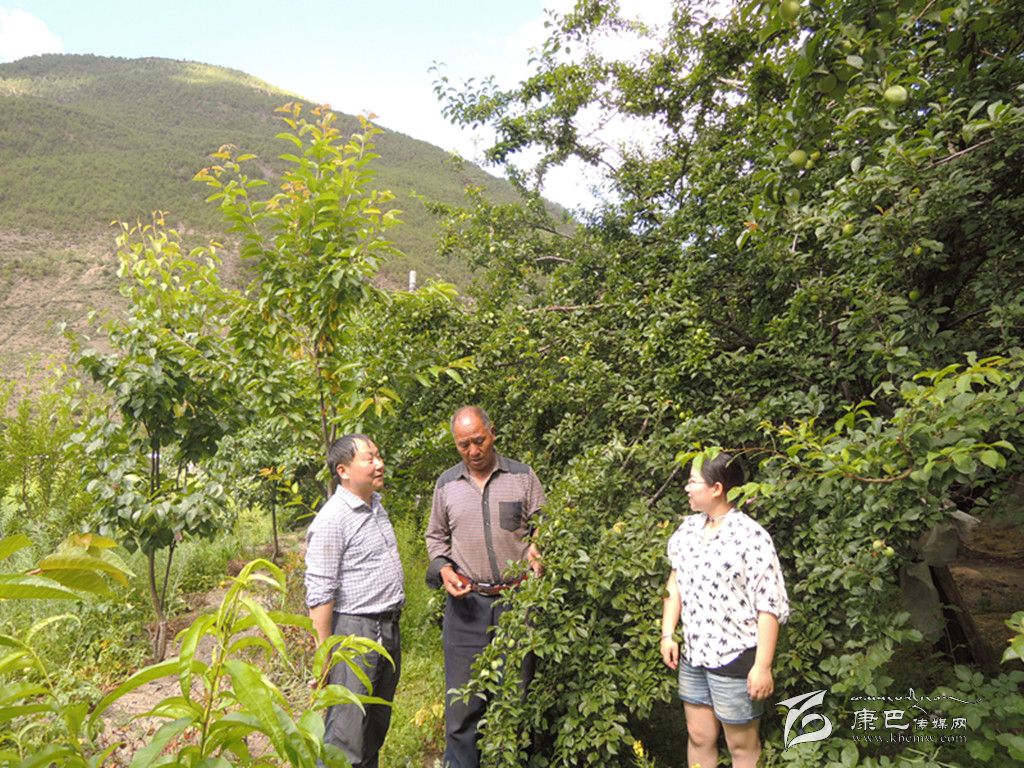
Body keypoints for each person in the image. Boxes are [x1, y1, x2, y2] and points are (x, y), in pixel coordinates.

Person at [425, 406, 546, 768]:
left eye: (479, 440)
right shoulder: (446, 484)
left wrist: (540, 545)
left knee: (518, 697)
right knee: (462, 706)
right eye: (464, 445)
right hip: (466, 606)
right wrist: (443, 569)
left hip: (517, 603)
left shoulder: (522, 476)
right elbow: (435, 537)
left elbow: (544, 524)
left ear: (492, 433)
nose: (473, 450)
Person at [660, 452, 789, 768]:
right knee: (699, 736)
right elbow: (674, 583)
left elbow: (769, 605)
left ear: (717, 488)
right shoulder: (688, 530)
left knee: (741, 745)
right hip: (695, 655)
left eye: (693, 482)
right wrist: (667, 634)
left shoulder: (751, 537)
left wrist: (763, 666)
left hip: (735, 656)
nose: (687, 488)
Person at [305, 434, 404, 768]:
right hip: (354, 634)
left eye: (378, 456)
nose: (379, 464)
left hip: (386, 629)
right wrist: (325, 656)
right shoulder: (333, 519)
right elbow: (320, 593)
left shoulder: (375, 505)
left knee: (373, 730)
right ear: (343, 471)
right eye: (369, 458)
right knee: (345, 738)